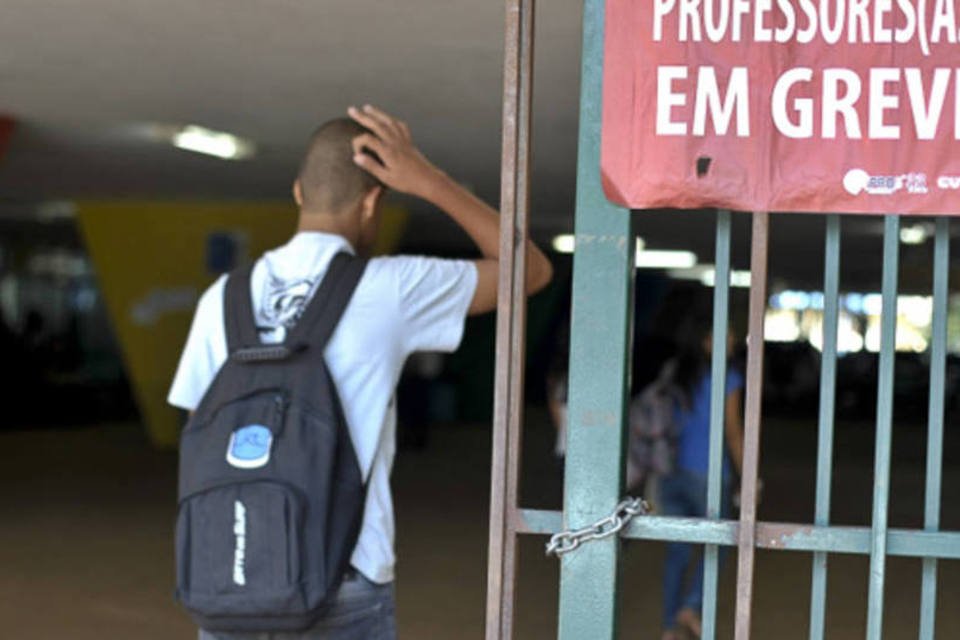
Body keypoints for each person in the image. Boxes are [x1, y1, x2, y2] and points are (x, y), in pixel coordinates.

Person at [167, 105, 553, 639]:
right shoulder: (389, 288)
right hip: (343, 577)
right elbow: (529, 270)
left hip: (229, 577)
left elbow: (198, 429)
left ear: (299, 192)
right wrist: (431, 182)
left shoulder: (223, 298)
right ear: (374, 201)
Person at [659, 315, 744, 640]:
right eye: (726, 336)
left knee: (677, 549)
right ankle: (691, 605)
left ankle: (669, 626)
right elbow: (733, 432)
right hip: (707, 475)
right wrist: (749, 475)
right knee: (718, 545)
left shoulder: (674, 372)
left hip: (669, 471)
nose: (733, 341)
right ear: (706, 341)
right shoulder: (727, 377)